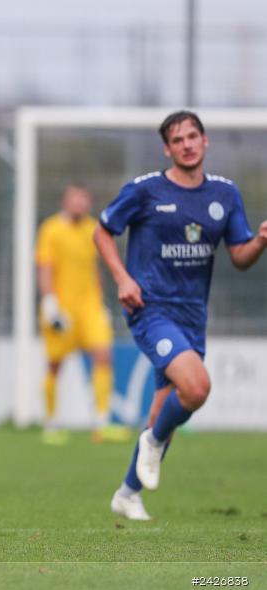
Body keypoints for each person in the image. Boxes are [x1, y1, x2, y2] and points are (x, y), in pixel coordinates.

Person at [95, 110, 267, 521]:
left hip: (192, 315)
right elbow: (102, 231)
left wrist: (261, 240)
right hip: (149, 308)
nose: (187, 144)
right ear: (167, 149)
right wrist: (122, 278)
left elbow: (240, 257)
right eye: (178, 140)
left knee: (164, 407)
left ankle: (127, 493)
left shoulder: (225, 195)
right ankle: (153, 443)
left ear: (205, 141)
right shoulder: (145, 191)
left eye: (193, 136)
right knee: (197, 387)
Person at [36, 185, 130, 445]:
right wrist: (49, 303)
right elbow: (45, 268)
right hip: (61, 308)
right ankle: (51, 423)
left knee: (103, 355)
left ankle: (101, 423)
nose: (79, 205)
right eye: (75, 200)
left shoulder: (93, 229)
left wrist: (101, 303)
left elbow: (95, 268)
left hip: (89, 307)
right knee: (55, 364)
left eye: (83, 201)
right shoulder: (51, 229)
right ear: (65, 202)